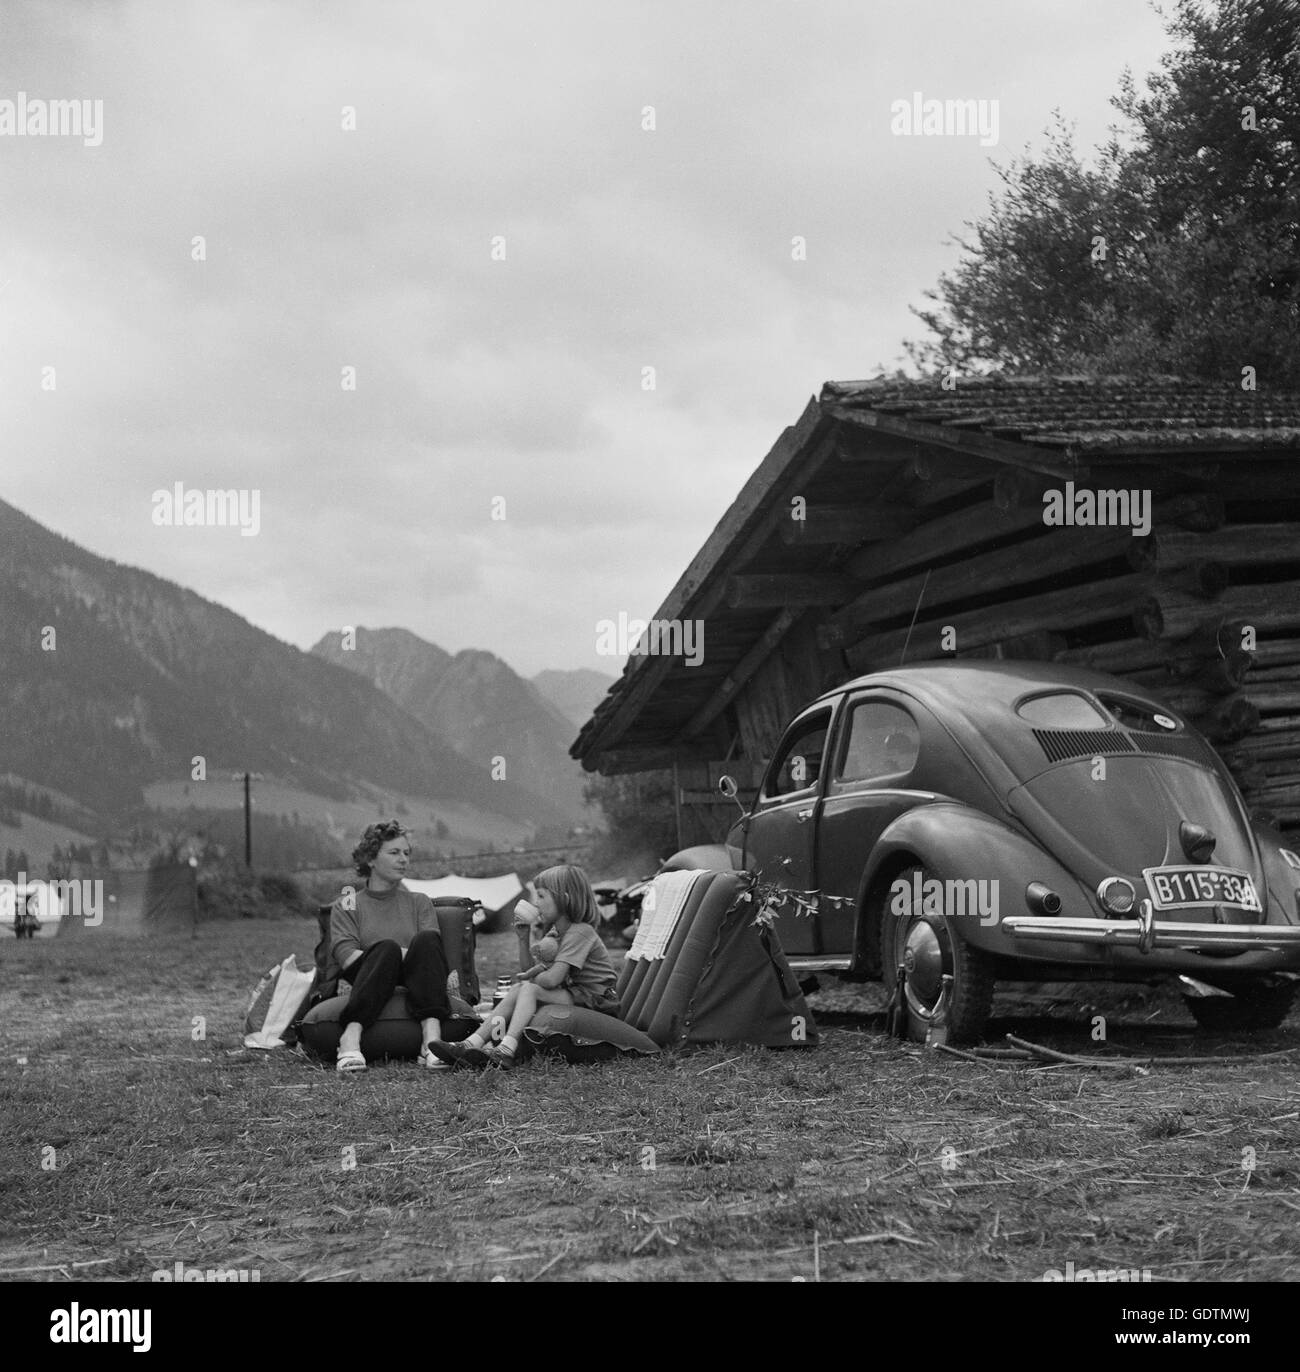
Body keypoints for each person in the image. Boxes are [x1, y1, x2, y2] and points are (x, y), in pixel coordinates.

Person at [429, 864, 617, 1070]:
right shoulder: (557, 933)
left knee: (528, 988)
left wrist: (533, 982)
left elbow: (552, 979)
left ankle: (507, 1049)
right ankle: (470, 1043)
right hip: (577, 993)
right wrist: (523, 938)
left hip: (596, 999)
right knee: (521, 988)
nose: (536, 903)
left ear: (564, 899)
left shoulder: (580, 932)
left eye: (542, 896)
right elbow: (531, 970)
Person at [330, 820, 454, 1072]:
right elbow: (346, 957)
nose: (404, 860)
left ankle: (431, 1039)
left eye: (407, 853)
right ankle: (349, 1038)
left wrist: (401, 957)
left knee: (428, 940)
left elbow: (429, 954)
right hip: (369, 974)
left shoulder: (419, 902)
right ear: (371, 859)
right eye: (394, 852)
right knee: (385, 948)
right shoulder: (349, 902)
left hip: (416, 978)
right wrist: (395, 955)